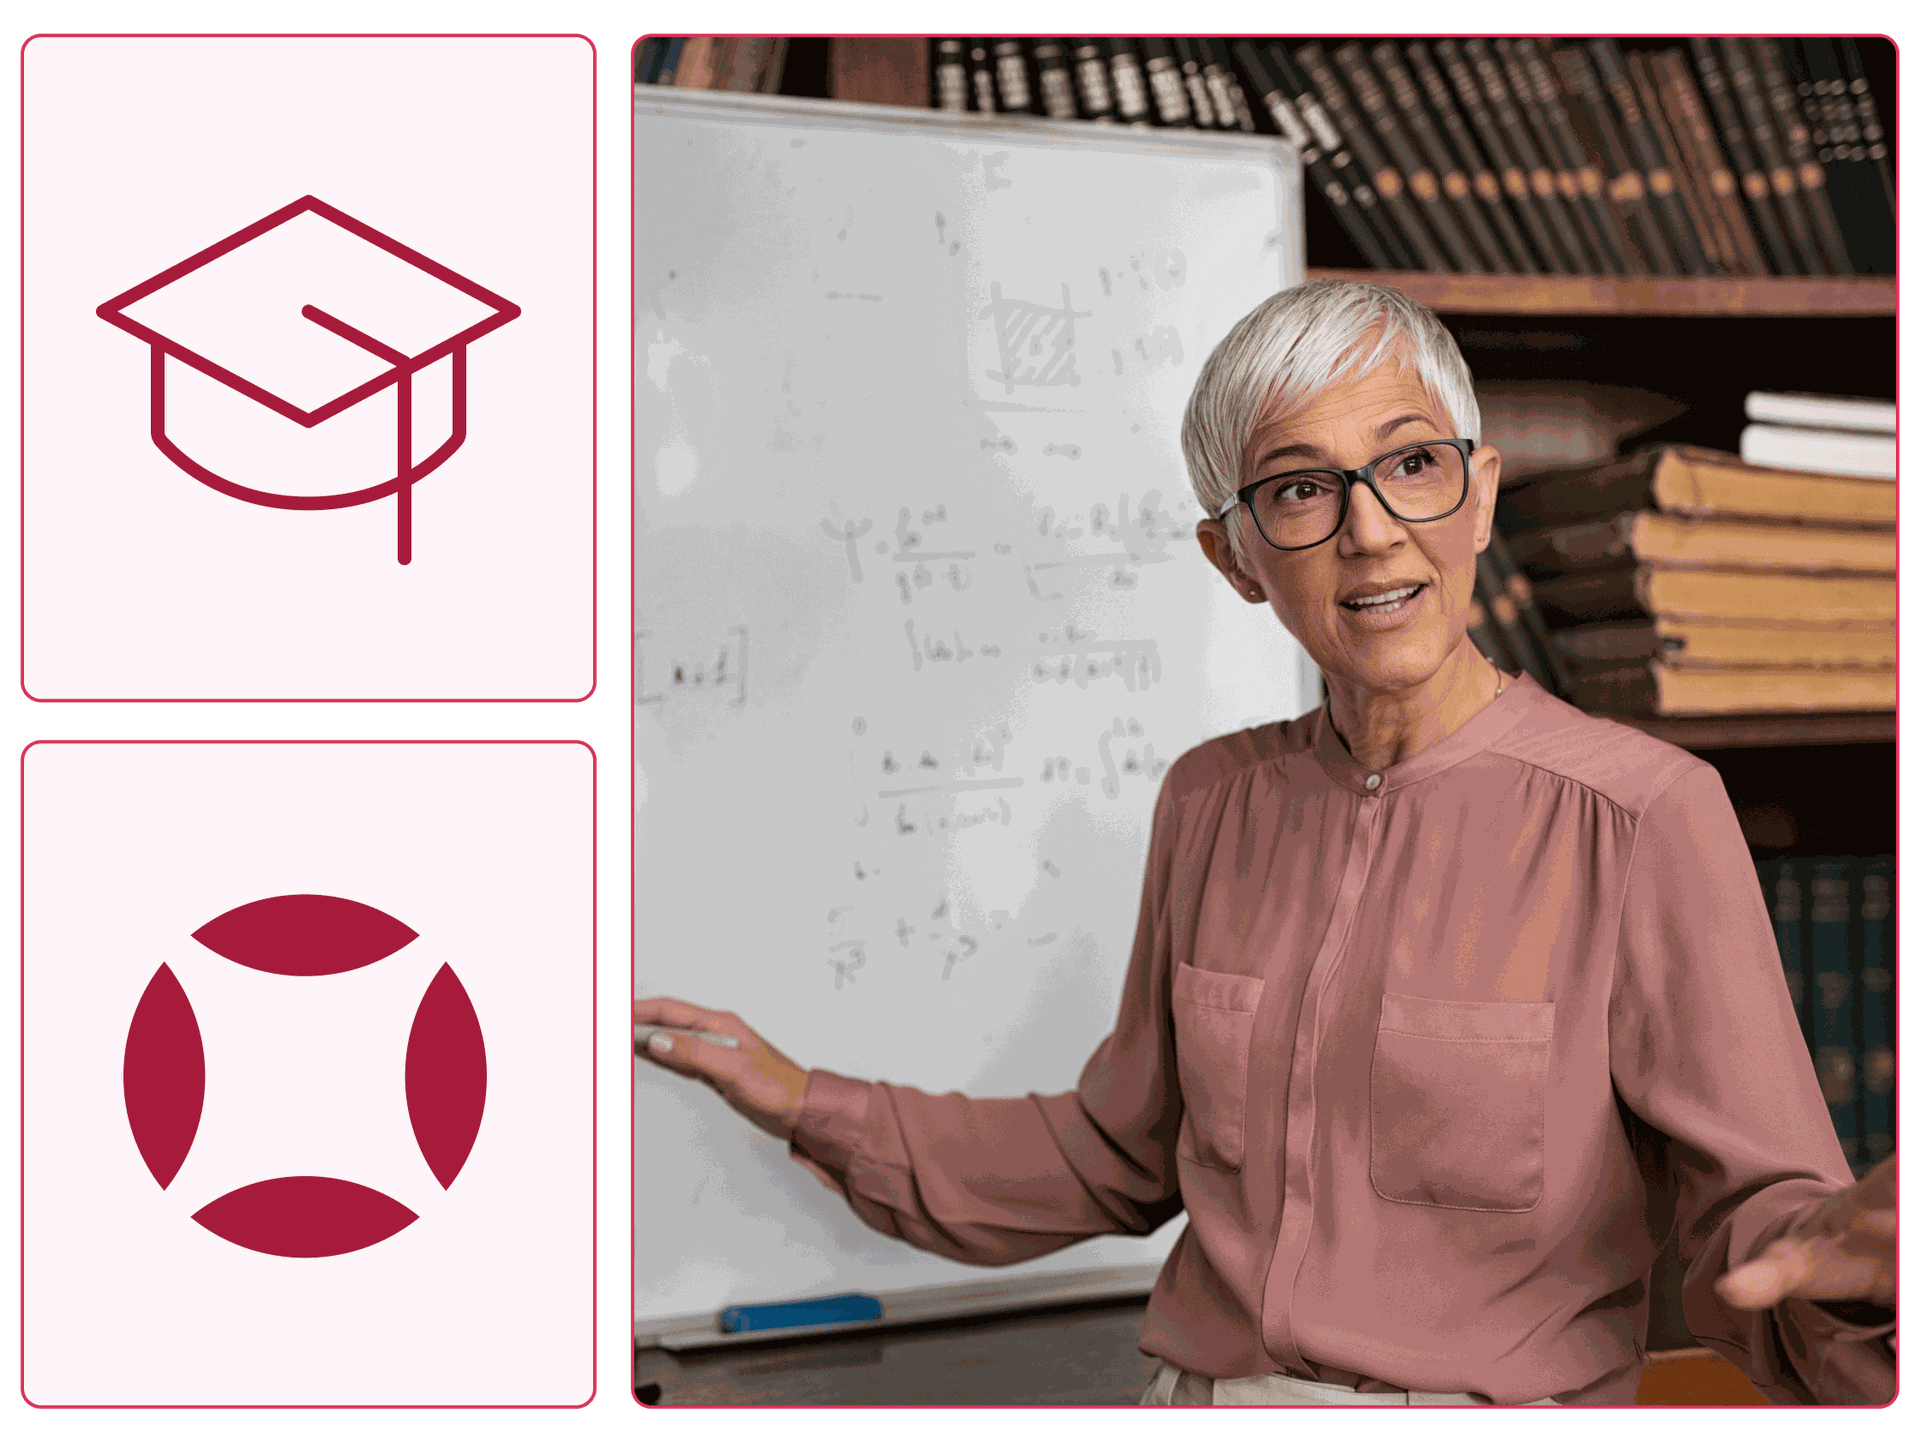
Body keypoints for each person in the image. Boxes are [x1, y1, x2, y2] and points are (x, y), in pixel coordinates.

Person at [636, 279, 1896, 1407]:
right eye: (1300, 488)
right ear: (1236, 557)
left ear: (1481, 492)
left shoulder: (1641, 813)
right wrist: (804, 1099)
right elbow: (1114, 1153)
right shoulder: (1208, 801)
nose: (1369, 530)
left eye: (1411, 466)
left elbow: (1766, 1228)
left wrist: (1853, 1269)